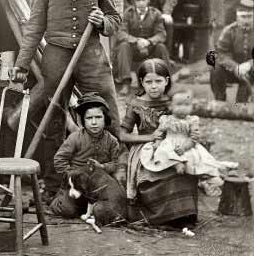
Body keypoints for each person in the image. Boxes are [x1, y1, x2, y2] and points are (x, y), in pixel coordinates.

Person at [11, 0, 122, 203]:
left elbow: (115, 19)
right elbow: (35, 26)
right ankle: (53, 186)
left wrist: (102, 22)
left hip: (91, 54)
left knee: (108, 111)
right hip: (56, 55)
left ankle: (114, 182)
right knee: (53, 119)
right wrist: (22, 64)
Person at [120, 59, 200, 228]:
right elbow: (123, 135)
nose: (154, 86)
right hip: (146, 149)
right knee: (158, 175)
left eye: (158, 81)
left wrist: (190, 133)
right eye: (149, 82)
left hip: (174, 145)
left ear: (167, 80)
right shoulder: (136, 103)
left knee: (184, 169)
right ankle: (161, 217)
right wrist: (149, 137)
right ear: (141, 82)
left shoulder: (173, 101)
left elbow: (186, 121)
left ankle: (184, 216)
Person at [140, 90, 236, 195]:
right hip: (168, 143)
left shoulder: (192, 120)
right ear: (170, 106)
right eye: (179, 105)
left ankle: (205, 179)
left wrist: (184, 147)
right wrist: (158, 142)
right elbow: (160, 132)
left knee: (197, 160)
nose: (183, 108)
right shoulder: (166, 119)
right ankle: (176, 164)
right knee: (161, 152)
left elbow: (194, 138)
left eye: (186, 105)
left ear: (191, 106)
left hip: (186, 144)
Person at [49, 93, 121, 218]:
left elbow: (115, 164)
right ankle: (59, 200)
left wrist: (102, 167)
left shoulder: (112, 141)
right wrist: (72, 175)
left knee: (108, 210)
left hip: (99, 187)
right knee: (67, 210)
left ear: (105, 118)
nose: (94, 122)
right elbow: (59, 159)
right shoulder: (75, 138)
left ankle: (88, 208)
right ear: (83, 120)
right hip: (76, 186)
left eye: (98, 117)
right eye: (89, 118)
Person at [115, 0, 171, 96]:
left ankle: (166, 83)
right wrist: (136, 41)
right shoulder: (128, 13)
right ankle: (126, 83)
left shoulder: (155, 13)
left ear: (148, 0)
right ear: (134, 1)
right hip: (134, 49)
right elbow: (121, 33)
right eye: (138, 0)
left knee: (161, 47)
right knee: (123, 46)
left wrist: (149, 41)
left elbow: (161, 34)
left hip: (150, 49)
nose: (141, 3)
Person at [210, 0, 254, 103]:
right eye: (243, 17)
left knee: (241, 103)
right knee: (216, 68)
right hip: (233, 71)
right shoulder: (229, 31)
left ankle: (242, 101)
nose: (246, 20)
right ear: (237, 17)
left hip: (252, 72)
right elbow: (220, 53)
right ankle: (220, 100)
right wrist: (235, 67)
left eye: (249, 16)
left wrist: (249, 64)